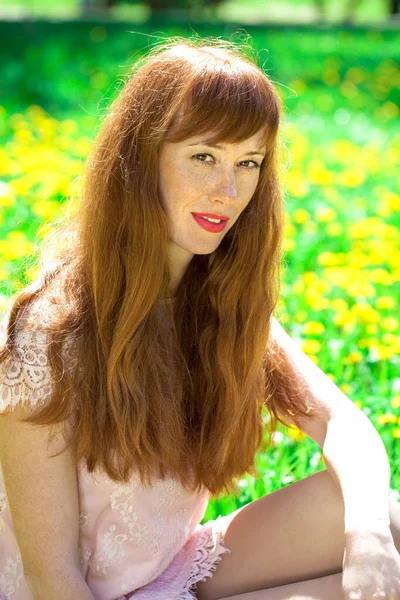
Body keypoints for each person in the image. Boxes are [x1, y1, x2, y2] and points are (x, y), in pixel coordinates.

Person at [0, 35, 399, 600]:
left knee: (383, 518)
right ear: (140, 161)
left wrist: (367, 541)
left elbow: (342, 424)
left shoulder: (217, 301)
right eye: (204, 157)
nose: (229, 191)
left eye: (249, 162)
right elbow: (51, 578)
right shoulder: (47, 338)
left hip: (174, 569)